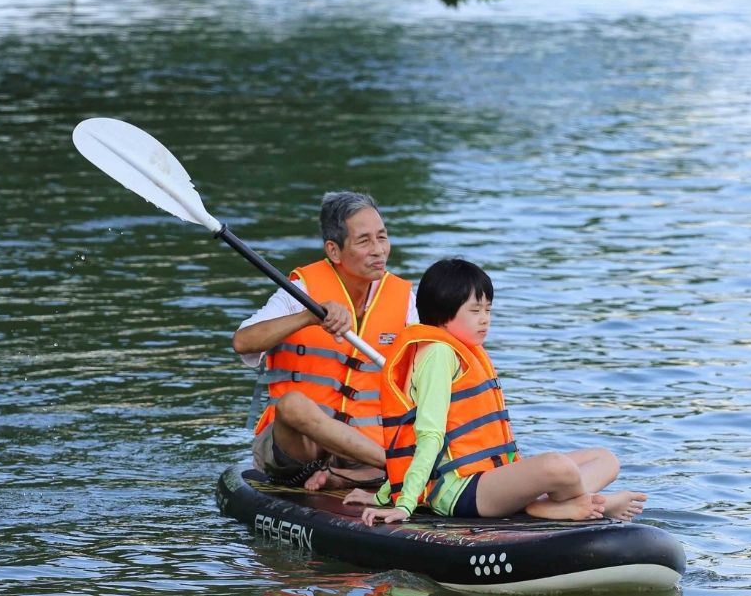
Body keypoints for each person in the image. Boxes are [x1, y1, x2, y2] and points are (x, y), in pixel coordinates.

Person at [345, 257, 646, 526]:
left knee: (606, 459)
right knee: (556, 466)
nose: (485, 318)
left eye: (488, 309)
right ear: (443, 313)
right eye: (475, 310)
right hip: (458, 489)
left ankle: (548, 505)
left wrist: (382, 494)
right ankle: (575, 505)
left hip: (488, 479)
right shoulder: (438, 354)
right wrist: (403, 503)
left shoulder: (460, 349)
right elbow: (428, 436)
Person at [233, 191, 417, 490]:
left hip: (366, 446)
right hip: (300, 449)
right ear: (334, 250)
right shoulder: (300, 291)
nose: (378, 250)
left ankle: (348, 475)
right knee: (291, 405)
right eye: (364, 241)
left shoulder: (405, 300)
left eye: (382, 237)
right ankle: (400, 468)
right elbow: (243, 342)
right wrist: (307, 317)